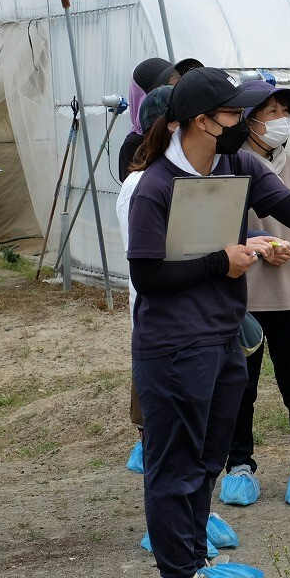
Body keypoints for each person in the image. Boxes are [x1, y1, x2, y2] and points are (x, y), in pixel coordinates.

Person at [126, 67, 290, 578]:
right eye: (234, 114)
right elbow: (148, 278)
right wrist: (224, 260)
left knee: (209, 457)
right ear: (201, 122)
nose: (245, 123)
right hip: (172, 347)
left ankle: (196, 562)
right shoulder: (155, 187)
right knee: (176, 463)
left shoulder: (234, 164)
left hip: (221, 337)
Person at [220, 82, 290, 504]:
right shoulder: (227, 167)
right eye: (271, 110)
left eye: (285, 110)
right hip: (241, 298)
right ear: (248, 119)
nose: (280, 119)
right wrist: (258, 244)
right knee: (238, 388)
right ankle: (239, 465)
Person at [116, 85, 176, 474]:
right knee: (162, 428)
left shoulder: (158, 178)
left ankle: (189, 517)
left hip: (182, 322)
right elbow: (157, 263)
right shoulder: (143, 186)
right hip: (160, 320)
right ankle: (168, 527)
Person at [117, 57, 203, 182]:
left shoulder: (192, 131)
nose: (175, 93)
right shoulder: (134, 143)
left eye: (178, 86)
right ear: (145, 96)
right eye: (168, 86)